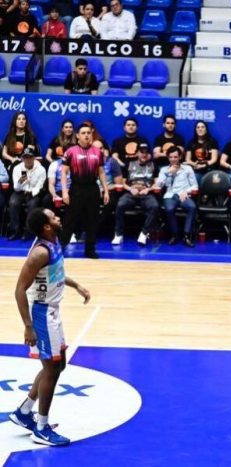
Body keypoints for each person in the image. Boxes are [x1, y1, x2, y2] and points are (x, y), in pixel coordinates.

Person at [8, 208, 91, 447]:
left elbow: (56, 274)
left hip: (52, 311)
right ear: (46, 226)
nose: (58, 218)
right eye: (54, 217)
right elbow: (19, 290)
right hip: (42, 314)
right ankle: (41, 428)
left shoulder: (53, 243)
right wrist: (28, 327)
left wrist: (76, 285)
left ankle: (24, 412)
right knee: (52, 369)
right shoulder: (39, 253)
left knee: (57, 365)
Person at [59, 124, 110, 259]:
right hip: (76, 189)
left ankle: (90, 249)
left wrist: (105, 190)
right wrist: (64, 192)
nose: (86, 135)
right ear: (77, 136)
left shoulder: (97, 152)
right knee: (69, 220)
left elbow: (101, 172)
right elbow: (63, 173)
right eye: (83, 133)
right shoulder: (71, 151)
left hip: (93, 189)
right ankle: (61, 248)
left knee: (92, 221)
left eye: (88, 132)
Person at [112, 144, 158, 247]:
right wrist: (130, 189)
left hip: (147, 194)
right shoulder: (129, 164)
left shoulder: (153, 165)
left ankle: (144, 233)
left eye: (146, 152)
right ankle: (119, 234)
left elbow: (157, 183)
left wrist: (148, 189)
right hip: (131, 193)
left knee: (154, 206)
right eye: (142, 152)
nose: (144, 154)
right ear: (137, 153)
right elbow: (122, 182)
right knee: (120, 205)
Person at [155, 146, 197, 248]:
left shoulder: (187, 168)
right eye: (171, 157)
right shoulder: (164, 170)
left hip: (183, 195)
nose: (173, 159)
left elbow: (195, 186)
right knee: (169, 209)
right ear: (168, 157)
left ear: (180, 157)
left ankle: (186, 235)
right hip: (170, 195)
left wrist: (187, 191)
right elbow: (158, 186)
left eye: (175, 157)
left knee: (192, 207)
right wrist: (167, 173)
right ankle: (174, 234)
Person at [9, 148, 46, 241]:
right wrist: (21, 181)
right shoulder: (17, 168)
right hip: (20, 191)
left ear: (34, 158)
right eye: (25, 157)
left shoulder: (41, 169)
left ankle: (28, 231)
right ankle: (15, 230)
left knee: (32, 204)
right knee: (13, 203)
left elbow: (40, 186)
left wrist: (31, 192)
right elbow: (16, 188)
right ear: (22, 158)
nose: (28, 159)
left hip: (34, 192)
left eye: (30, 157)